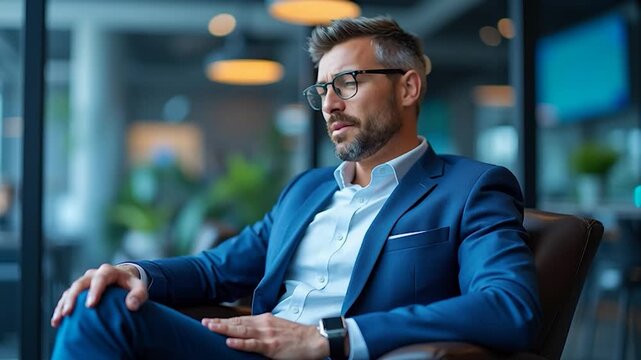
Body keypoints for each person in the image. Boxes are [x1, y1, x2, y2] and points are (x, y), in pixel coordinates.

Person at [50, 16, 541, 360]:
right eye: (321, 90)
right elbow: (215, 269)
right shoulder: (306, 191)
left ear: (408, 88)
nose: (328, 105)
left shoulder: (471, 188)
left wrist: (334, 338)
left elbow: (507, 307)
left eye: (346, 82)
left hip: (339, 354)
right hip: (249, 350)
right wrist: (130, 271)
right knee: (101, 304)